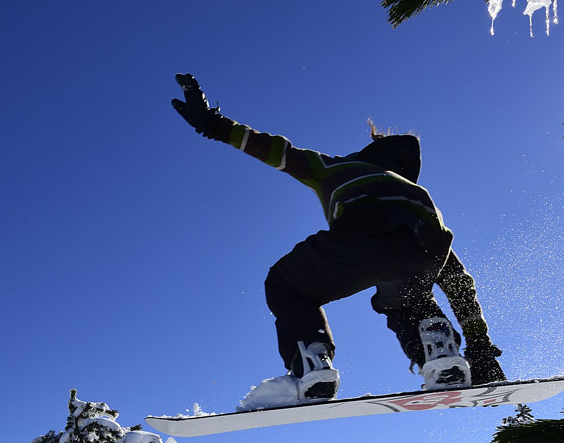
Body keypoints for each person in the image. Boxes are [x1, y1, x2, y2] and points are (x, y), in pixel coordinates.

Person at [171, 73, 506, 409]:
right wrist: (480, 346)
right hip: (423, 248)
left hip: (358, 237)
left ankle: (313, 364)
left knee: (285, 284)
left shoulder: (337, 167)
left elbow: (278, 152)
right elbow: (459, 282)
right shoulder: (418, 195)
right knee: (409, 299)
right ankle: (440, 352)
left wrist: (213, 125)